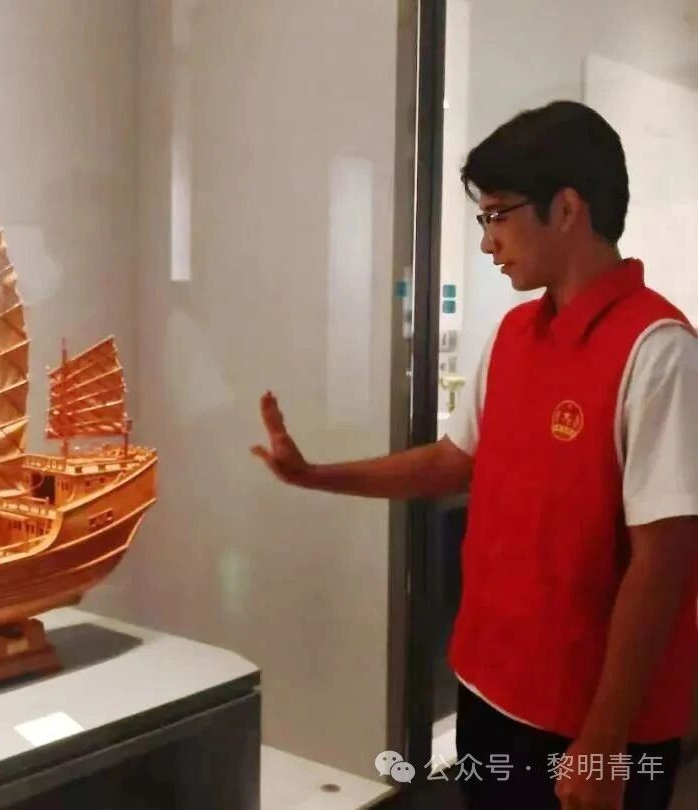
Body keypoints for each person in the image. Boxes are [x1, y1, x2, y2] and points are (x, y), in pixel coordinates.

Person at [252, 100, 697, 810]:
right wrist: (316, 476)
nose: (488, 242)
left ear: (567, 209)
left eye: (497, 216)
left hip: (589, 725)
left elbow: (665, 563)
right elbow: (453, 461)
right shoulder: (515, 335)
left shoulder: (658, 351)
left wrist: (605, 740)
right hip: (489, 688)